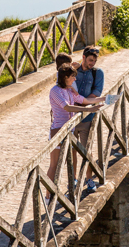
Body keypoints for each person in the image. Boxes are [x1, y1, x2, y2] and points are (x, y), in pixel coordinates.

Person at [46, 64, 104, 201]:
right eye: (73, 77)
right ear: (65, 77)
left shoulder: (69, 90)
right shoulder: (55, 91)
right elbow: (66, 107)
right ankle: (49, 196)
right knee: (54, 165)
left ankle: (66, 192)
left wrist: (104, 99)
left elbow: (85, 100)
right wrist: (89, 110)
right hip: (58, 131)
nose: (74, 80)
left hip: (69, 131)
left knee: (68, 163)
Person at [73, 46, 104, 193]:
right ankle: (73, 179)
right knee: (71, 150)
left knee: (86, 151)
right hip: (70, 117)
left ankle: (88, 178)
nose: (93, 63)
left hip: (87, 117)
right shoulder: (73, 70)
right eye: (90, 60)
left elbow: (96, 93)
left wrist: (82, 102)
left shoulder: (98, 73)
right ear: (83, 57)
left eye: (95, 61)